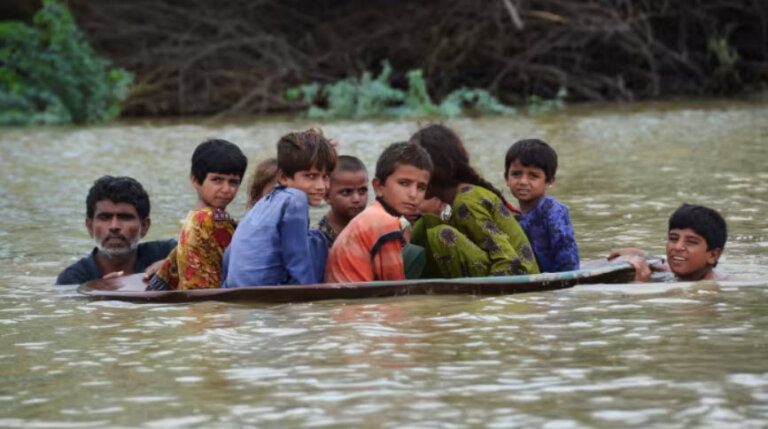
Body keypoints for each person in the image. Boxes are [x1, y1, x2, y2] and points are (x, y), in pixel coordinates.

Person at [409, 124, 540, 278]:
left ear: (436, 170)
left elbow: (508, 262)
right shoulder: (457, 200)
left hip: (518, 277)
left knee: (441, 235)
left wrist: (485, 302)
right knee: (424, 226)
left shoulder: (467, 202)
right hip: (498, 270)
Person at [222, 129, 337, 287]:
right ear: (283, 177)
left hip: (236, 290)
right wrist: (311, 305)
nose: (321, 186)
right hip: (267, 293)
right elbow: (298, 264)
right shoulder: (296, 199)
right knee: (318, 239)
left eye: (325, 177)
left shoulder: (259, 207)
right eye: (311, 176)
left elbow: (229, 255)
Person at [324, 141, 433, 283]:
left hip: (345, 299)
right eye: (404, 183)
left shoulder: (373, 215)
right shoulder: (384, 223)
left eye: (421, 187)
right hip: (356, 302)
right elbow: (395, 288)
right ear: (379, 187)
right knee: (416, 254)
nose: (413, 194)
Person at [146, 139, 247, 290]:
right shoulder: (207, 219)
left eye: (233, 182)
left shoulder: (194, 220)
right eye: (217, 180)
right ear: (195, 180)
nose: (227, 189)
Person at [56, 176, 176, 285]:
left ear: (144, 227)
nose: (114, 226)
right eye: (105, 217)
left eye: (125, 217)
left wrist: (176, 266)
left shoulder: (168, 253)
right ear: (90, 227)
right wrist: (100, 293)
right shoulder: (72, 280)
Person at [504, 139, 579, 272]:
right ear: (506, 178)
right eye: (516, 174)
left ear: (549, 182)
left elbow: (567, 255)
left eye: (533, 176)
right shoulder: (510, 215)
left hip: (555, 280)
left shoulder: (552, 210)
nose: (523, 182)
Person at [609, 203, 727, 282]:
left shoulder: (709, 290)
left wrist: (641, 288)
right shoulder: (681, 274)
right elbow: (665, 268)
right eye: (673, 238)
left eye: (691, 242)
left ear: (713, 255)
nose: (678, 246)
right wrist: (639, 255)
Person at [315, 155, 369, 246]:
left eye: (362, 191)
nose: (356, 199)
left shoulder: (373, 228)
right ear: (327, 196)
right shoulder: (319, 240)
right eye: (346, 192)